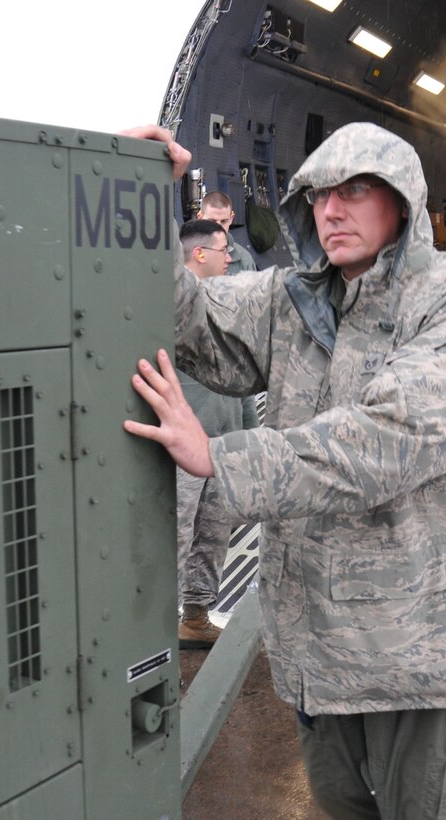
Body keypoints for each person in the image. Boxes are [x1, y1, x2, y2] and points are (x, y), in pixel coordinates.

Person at [122, 121, 446, 819]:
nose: (332, 210)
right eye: (317, 195)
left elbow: (386, 440)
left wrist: (220, 457)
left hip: (427, 659)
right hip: (323, 655)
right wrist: (140, 200)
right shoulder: (293, 299)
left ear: (400, 202)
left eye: (356, 190)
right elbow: (187, 323)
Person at [175, 218, 260, 648]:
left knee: (212, 537)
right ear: (200, 254)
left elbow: (243, 375)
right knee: (175, 538)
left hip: (222, 448)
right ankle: (153, 634)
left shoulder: (226, 303)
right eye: (223, 251)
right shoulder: (168, 307)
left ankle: (194, 617)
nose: (231, 258)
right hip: (181, 452)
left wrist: (248, 436)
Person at [198, 190, 258, 275]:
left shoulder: (244, 259)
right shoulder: (183, 255)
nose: (218, 228)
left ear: (231, 219)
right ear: (200, 218)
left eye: (224, 221)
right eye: (212, 221)